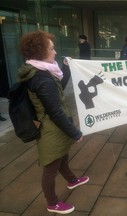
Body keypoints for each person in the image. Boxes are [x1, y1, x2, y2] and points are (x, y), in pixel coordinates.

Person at [18, 30, 89, 214]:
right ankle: (53, 203)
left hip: (54, 125)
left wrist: (65, 68)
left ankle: (72, 180)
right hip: (52, 128)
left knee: (62, 155)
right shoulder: (42, 78)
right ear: (40, 52)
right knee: (51, 167)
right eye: (52, 48)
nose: (55, 51)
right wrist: (75, 132)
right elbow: (55, 112)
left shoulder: (42, 71)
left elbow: (58, 90)